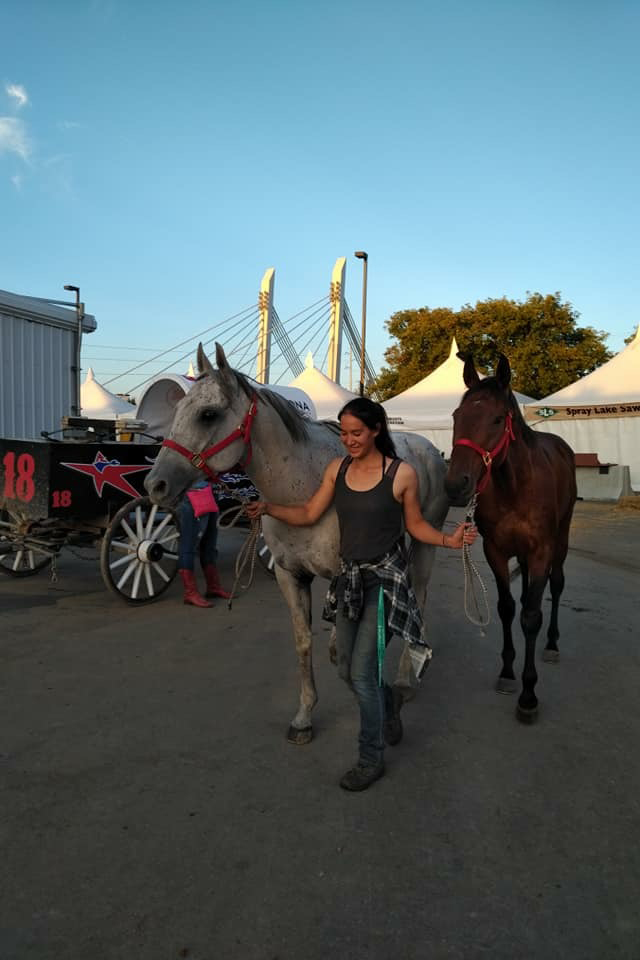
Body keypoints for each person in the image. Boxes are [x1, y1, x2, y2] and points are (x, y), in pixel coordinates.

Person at [246, 397, 477, 792]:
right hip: (348, 580)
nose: (349, 440)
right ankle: (389, 704)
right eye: (345, 432)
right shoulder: (338, 470)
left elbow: (417, 527)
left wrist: (449, 540)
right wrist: (268, 507)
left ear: (375, 431)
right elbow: (307, 514)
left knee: (363, 673)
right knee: (343, 668)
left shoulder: (402, 474)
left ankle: (371, 757)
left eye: (357, 432)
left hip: (384, 582)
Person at [178, 482, 231, 608]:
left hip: (211, 489)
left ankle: (213, 587)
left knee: (210, 542)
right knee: (188, 544)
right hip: (193, 491)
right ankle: (190, 593)